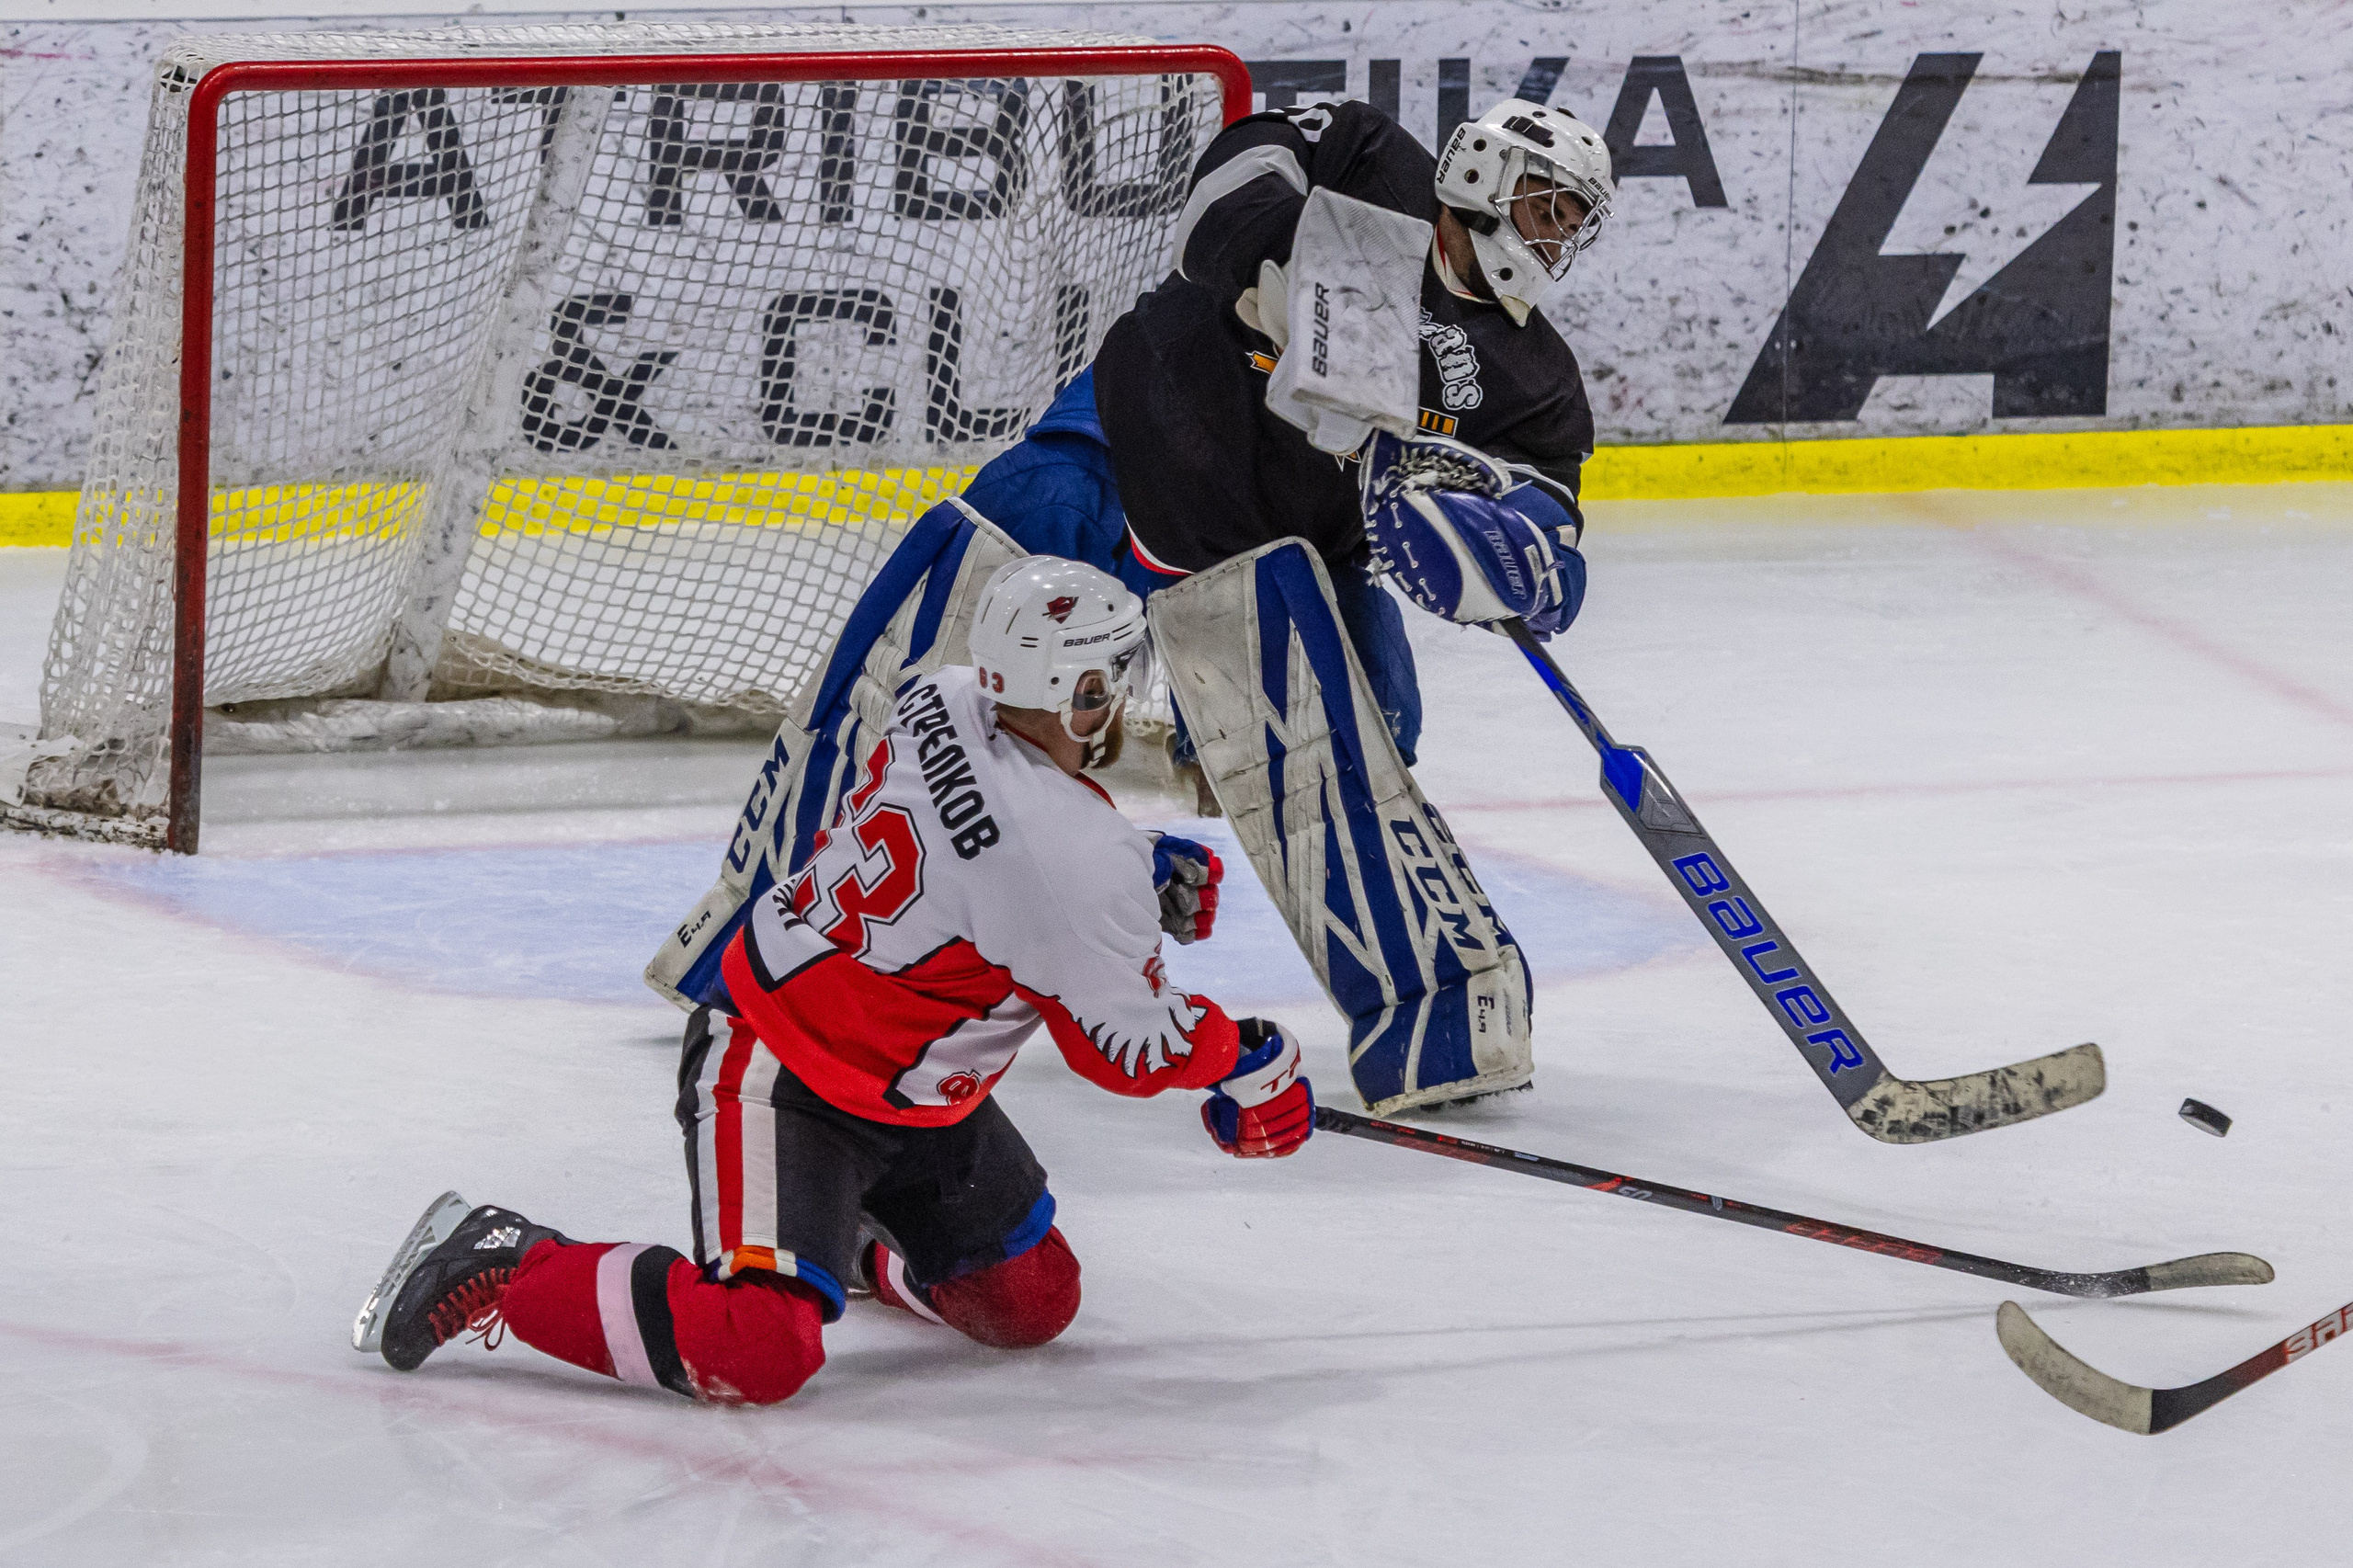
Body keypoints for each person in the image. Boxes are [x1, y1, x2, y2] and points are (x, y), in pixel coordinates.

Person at [361, 559, 1312, 1406]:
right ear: (1084, 691)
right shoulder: (1072, 861)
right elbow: (1124, 1050)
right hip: (780, 1061)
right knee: (754, 1349)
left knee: (1029, 1302)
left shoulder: (940, 697)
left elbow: (987, 857)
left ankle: (838, 1243)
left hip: (915, 1090)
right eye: (1117, 673)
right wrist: (1248, 1064)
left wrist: (1129, 867)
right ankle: (506, 1257)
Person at [941, 95, 1615, 1114]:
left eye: (1573, 219)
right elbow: (1221, 207)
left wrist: (1491, 554)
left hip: (1283, 543)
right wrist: (1295, 261)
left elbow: (1549, 556)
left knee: (1373, 735)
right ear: (1477, 170)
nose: (1553, 234)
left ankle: (1438, 1023)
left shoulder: (1535, 381)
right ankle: (813, 915)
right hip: (1139, 435)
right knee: (952, 636)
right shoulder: (1362, 150)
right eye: (1545, 203)